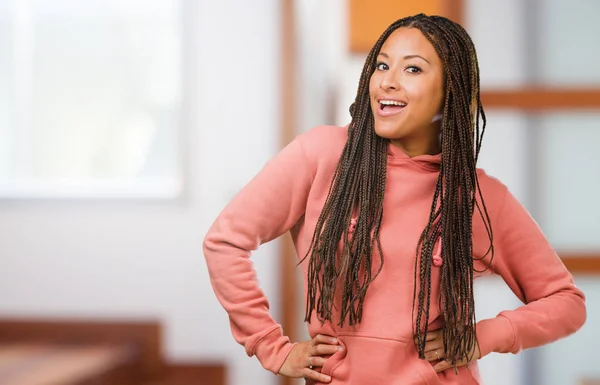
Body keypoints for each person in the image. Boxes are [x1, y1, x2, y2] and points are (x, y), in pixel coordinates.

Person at [203, 13, 586, 384]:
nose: (387, 82)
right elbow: (225, 241)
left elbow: (566, 303)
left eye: (413, 69)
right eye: (381, 66)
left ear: (450, 89)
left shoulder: (479, 197)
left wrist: (484, 336)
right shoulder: (320, 155)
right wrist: (272, 347)